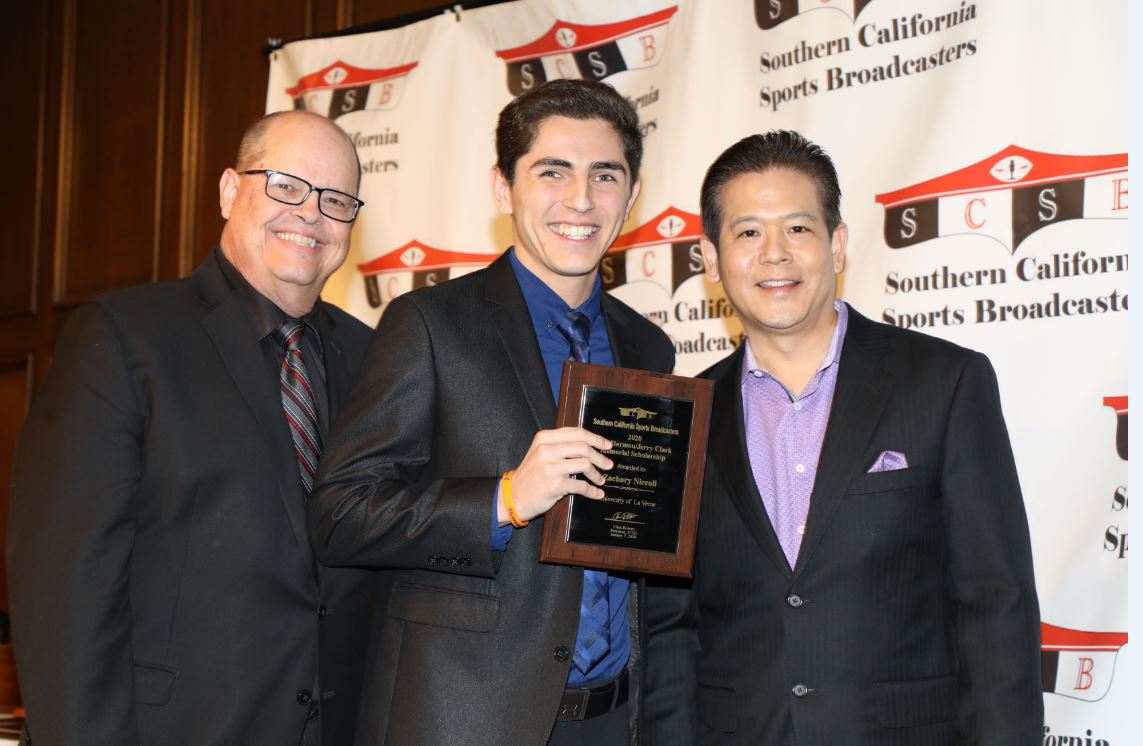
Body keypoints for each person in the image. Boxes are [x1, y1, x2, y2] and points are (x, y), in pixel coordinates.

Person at [643, 131, 1043, 744]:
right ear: (710, 258)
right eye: (748, 232)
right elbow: (671, 631)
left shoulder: (945, 382)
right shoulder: (683, 417)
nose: (774, 253)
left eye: (798, 229)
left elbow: (996, 604)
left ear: (837, 244)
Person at [308, 79, 675, 745]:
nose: (580, 200)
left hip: (616, 721)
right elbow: (341, 515)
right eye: (551, 172)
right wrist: (504, 500)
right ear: (503, 189)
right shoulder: (428, 323)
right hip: (466, 717)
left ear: (633, 195)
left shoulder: (647, 346)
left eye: (604, 176)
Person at [8, 110, 377, 745]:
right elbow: (65, 588)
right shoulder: (125, 338)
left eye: (336, 200)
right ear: (231, 191)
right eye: (286, 185)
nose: (311, 213)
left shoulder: (375, 359)